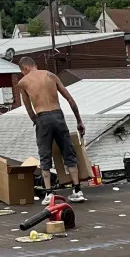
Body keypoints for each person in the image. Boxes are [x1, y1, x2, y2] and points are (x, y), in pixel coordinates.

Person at [17, 55, 86, 199]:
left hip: (42, 117)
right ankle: (77, 190)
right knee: (68, 152)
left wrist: (37, 122)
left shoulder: (23, 82)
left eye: (23, 71)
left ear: (25, 68)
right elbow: (70, 100)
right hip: (58, 115)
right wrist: (79, 121)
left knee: (45, 154)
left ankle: (48, 193)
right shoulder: (51, 75)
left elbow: (29, 108)